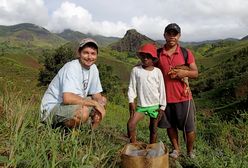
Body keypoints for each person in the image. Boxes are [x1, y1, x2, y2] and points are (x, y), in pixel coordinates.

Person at [40, 38, 106, 129]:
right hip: (52, 109)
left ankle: (91, 134)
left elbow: (96, 94)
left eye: (93, 53)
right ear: (79, 53)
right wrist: (95, 104)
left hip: (70, 105)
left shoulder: (93, 68)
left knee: (102, 100)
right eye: (86, 53)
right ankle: (65, 133)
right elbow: (68, 98)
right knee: (83, 111)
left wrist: (100, 104)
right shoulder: (71, 67)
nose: (90, 57)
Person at [157, 23, 198, 158]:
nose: (172, 36)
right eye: (169, 33)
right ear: (165, 35)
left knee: (189, 128)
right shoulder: (158, 53)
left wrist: (182, 73)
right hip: (165, 98)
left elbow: (195, 73)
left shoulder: (185, 53)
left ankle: (190, 151)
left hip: (183, 97)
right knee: (170, 126)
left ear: (179, 36)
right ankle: (176, 149)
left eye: (175, 34)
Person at [127, 43, 166, 144]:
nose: (145, 59)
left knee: (153, 129)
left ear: (153, 58)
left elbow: (162, 89)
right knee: (131, 124)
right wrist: (131, 101)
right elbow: (132, 86)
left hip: (155, 105)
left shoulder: (157, 72)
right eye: (143, 56)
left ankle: (151, 148)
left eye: (148, 57)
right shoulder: (136, 70)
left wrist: (162, 107)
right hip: (141, 106)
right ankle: (133, 146)